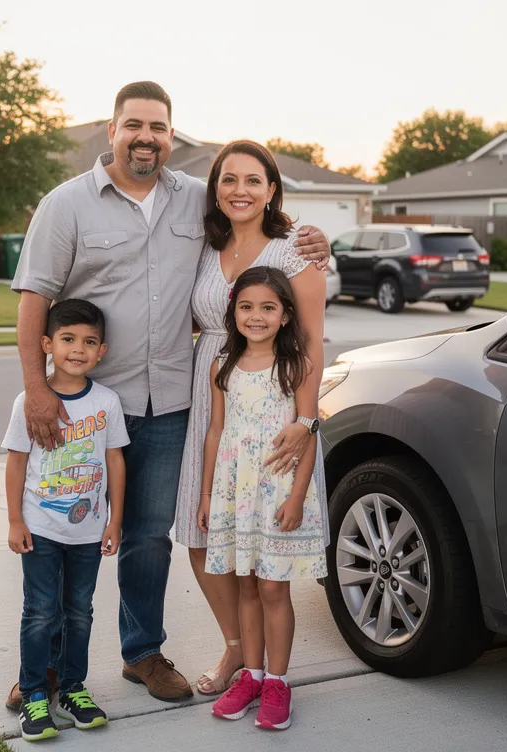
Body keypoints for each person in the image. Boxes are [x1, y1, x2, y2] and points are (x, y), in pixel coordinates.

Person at [7, 82, 330, 708]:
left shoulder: (195, 202)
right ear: (112, 130)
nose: (146, 137)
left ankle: (143, 653)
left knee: (152, 536)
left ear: (171, 134)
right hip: (87, 406)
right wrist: (36, 391)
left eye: (158, 127)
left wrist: (319, 244)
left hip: (175, 402)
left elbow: (266, 240)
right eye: (134, 125)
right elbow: (33, 301)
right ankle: (39, 667)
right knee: (57, 536)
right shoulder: (66, 205)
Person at [172, 140, 328, 697]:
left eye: (253, 180)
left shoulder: (294, 251)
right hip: (212, 388)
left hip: (276, 404)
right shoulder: (201, 246)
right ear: (215, 187)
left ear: (272, 189)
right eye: (229, 179)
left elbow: (311, 341)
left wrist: (306, 421)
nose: (240, 190)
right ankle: (238, 648)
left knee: (265, 555)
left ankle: (264, 670)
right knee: (199, 530)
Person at [198, 266, 328, 731]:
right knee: (247, 584)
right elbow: (216, 432)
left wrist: (296, 498)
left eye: (267, 308)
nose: (255, 316)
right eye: (246, 307)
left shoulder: (297, 366)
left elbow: (310, 433)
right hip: (237, 491)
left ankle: (277, 680)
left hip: (277, 492)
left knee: (274, 586)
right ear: (233, 312)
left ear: (286, 315)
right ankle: (250, 676)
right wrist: (209, 493)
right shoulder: (223, 366)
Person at [2, 299, 128, 742]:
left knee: (79, 612)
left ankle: (73, 688)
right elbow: (17, 464)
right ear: (47, 344)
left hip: (89, 530)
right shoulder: (31, 402)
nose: (78, 349)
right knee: (40, 612)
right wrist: (16, 519)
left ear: (102, 350)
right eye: (68, 339)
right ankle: (35, 693)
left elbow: (115, 461)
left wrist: (114, 520)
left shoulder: (107, 402)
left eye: (89, 342)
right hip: (40, 529)